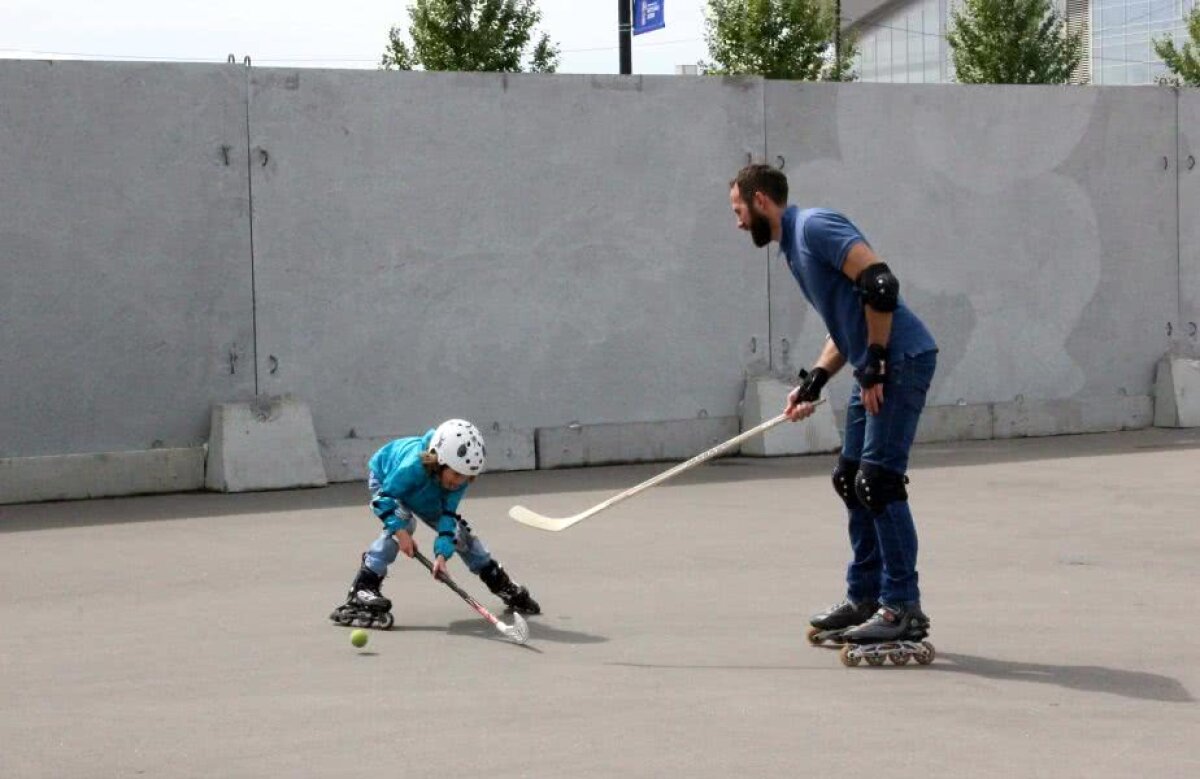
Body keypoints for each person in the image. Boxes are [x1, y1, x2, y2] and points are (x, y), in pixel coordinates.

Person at [729, 164, 938, 646]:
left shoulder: (815, 226)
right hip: (876, 360)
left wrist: (878, 364)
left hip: (900, 358)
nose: (737, 222)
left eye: (738, 210)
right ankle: (865, 596)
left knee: (879, 482)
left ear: (761, 200)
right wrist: (815, 380)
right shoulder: (793, 248)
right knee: (851, 479)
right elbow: (848, 322)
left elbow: (880, 284)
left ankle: (902, 606)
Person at [330, 418, 540, 630]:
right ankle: (364, 587)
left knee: (459, 535)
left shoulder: (457, 480)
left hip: (431, 491)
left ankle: (500, 583)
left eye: (467, 477)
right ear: (440, 461)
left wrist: (442, 556)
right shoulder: (413, 466)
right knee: (403, 523)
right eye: (456, 474)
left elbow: (448, 517)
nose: (459, 482)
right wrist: (401, 533)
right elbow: (381, 500)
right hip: (388, 481)